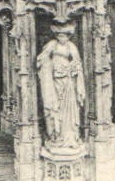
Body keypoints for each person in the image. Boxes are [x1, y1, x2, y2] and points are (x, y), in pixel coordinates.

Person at [36, 21, 85, 151]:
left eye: (64, 35)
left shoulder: (71, 46)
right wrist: (46, 65)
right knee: (54, 106)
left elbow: (77, 62)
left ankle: (70, 135)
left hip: (68, 81)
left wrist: (73, 69)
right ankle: (56, 135)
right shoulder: (52, 45)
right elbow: (42, 58)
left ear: (68, 36)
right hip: (54, 80)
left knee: (69, 107)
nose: (61, 38)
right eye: (59, 35)